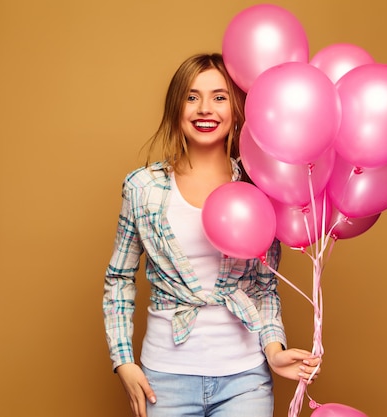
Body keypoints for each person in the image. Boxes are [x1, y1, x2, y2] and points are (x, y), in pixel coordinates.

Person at [103, 53, 321, 417]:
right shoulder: (142, 188)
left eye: (219, 97)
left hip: (245, 380)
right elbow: (119, 277)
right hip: (164, 380)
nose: (205, 108)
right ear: (176, 107)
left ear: (237, 108)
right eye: (192, 97)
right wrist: (123, 361)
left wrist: (274, 350)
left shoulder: (261, 187)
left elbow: (264, 288)